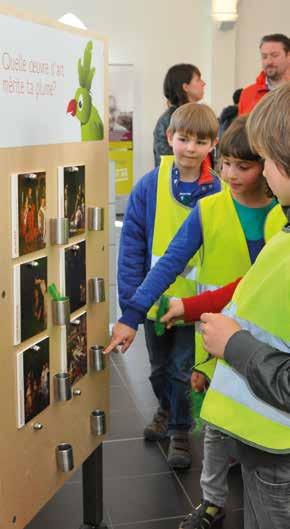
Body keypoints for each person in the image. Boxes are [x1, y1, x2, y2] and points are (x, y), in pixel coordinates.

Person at [105, 113, 285, 482]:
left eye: (245, 166)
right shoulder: (210, 208)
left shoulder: (277, 219)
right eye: (227, 166)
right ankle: (210, 488)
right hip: (211, 327)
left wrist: (185, 307)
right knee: (197, 393)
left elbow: (246, 284)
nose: (232, 175)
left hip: (260, 343)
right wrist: (132, 314)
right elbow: (169, 261)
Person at [192, 82, 290, 529]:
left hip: (279, 455)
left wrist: (235, 346)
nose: (263, 173)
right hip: (264, 444)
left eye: (266, 160)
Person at [108, 102, 220, 469]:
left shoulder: (218, 189)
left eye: (200, 141)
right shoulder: (149, 186)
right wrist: (131, 304)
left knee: (181, 368)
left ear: (212, 145)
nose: (190, 148)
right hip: (154, 302)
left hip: (195, 305)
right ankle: (167, 408)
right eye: (184, 138)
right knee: (157, 369)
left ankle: (181, 431)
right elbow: (132, 248)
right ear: (169, 137)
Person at [153, 64, 205, 166]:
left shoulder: (202, 116)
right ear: (185, 87)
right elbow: (166, 165)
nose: (203, 83)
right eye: (198, 80)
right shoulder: (167, 121)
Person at [238, 33, 290, 115]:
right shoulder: (247, 94)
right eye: (264, 56)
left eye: (275, 55)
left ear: (288, 56)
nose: (268, 61)